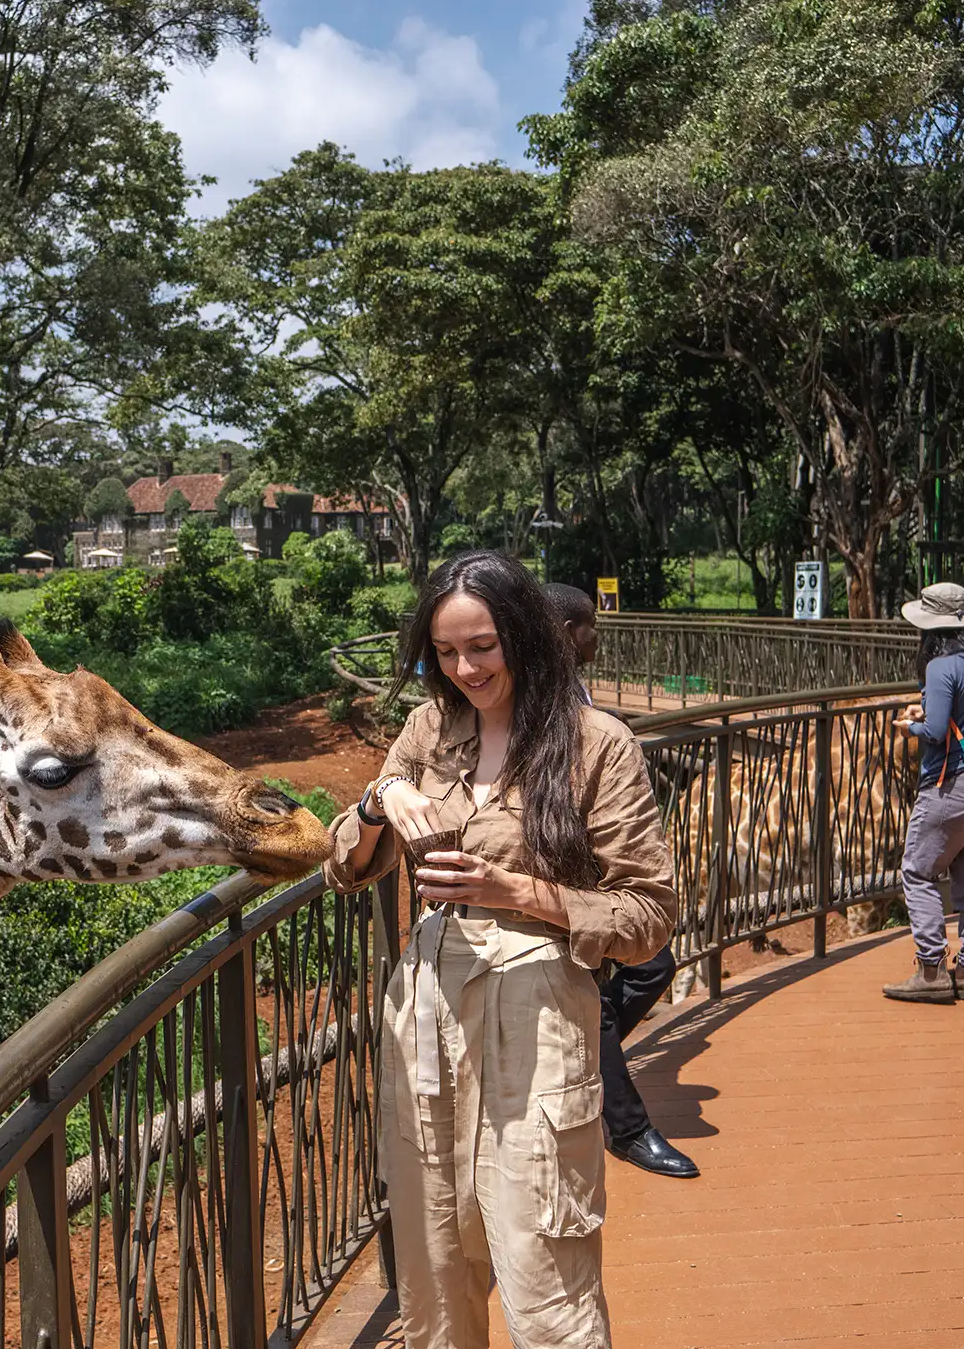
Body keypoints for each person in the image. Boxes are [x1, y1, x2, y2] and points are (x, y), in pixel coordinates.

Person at [325, 551, 675, 1349]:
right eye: (445, 653)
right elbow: (345, 863)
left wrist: (512, 889)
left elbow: (649, 913)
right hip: (426, 1027)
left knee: (543, 1266)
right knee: (435, 1266)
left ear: (521, 631)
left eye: (481, 645)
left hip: (537, 1024)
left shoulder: (596, 743)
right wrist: (380, 799)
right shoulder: (426, 729)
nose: (465, 668)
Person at [543, 582, 699, 1179]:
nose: (597, 636)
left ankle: (577, 1054)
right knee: (594, 1002)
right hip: (560, 877)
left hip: (600, 872)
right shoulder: (540, 693)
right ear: (565, 634)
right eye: (589, 625)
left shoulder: (574, 692)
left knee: (651, 965)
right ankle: (627, 1125)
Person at [883, 581, 964, 1004]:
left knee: (917, 872)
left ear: (930, 627)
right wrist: (930, 710)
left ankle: (932, 968)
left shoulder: (941, 666)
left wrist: (911, 726)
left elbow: (937, 732)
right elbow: (962, 713)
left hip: (953, 787)